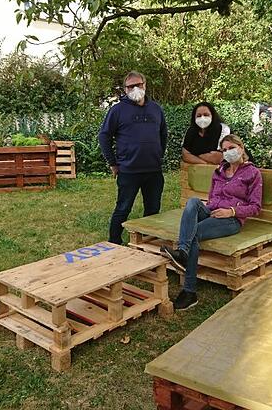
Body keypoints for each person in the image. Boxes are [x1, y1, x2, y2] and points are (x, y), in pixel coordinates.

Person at [161, 134, 262, 310]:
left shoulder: (252, 173)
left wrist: (230, 211)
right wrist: (209, 209)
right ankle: (183, 252)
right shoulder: (219, 171)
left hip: (231, 219)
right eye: (224, 150)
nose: (228, 152)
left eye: (232, 148)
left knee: (195, 233)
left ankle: (189, 291)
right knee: (193, 202)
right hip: (212, 211)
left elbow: (255, 207)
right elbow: (211, 197)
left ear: (241, 148)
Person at [99, 71, 168, 245]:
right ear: (125, 89)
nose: (136, 88)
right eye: (131, 86)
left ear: (145, 85)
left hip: (153, 170)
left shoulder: (156, 109)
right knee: (123, 208)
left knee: (153, 210)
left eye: (139, 84)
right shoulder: (117, 110)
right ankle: (114, 242)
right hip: (128, 171)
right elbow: (104, 136)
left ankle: (148, 243)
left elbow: (163, 135)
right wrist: (113, 163)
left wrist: (158, 155)